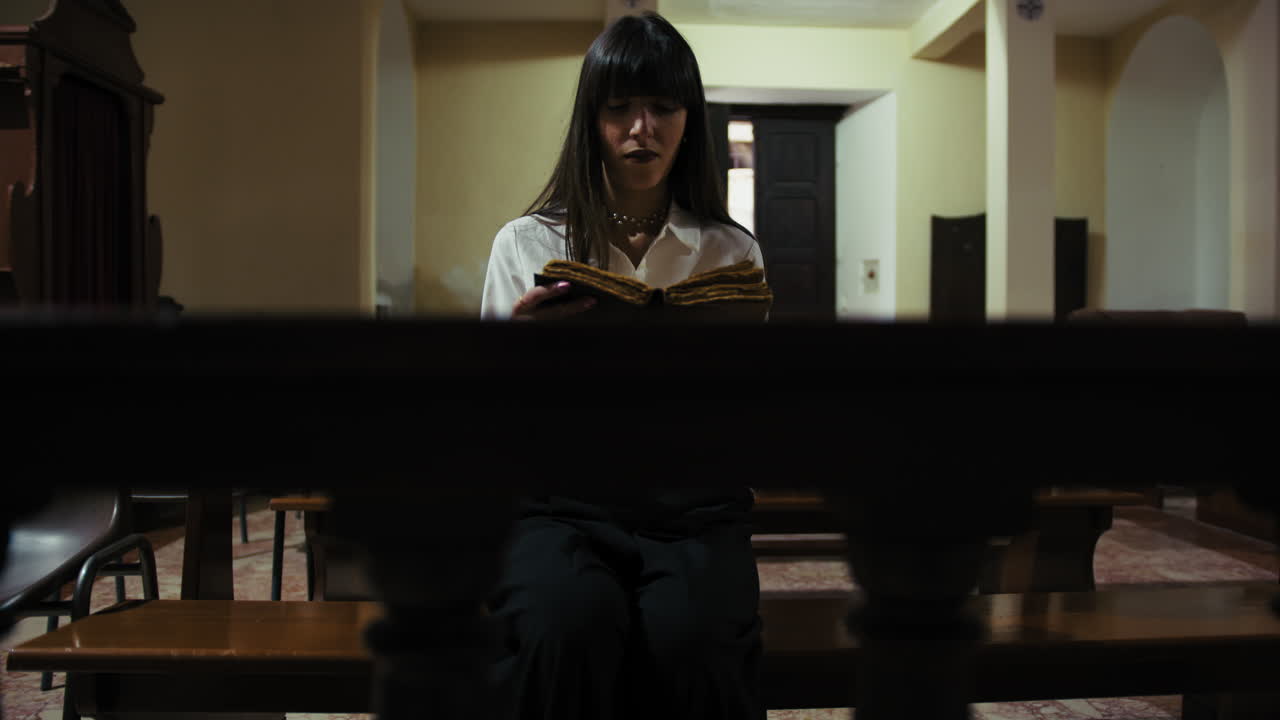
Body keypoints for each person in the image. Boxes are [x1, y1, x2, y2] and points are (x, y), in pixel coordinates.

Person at [478, 11, 766, 720]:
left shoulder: (730, 251)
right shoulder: (527, 243)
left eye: (664, 106)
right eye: (620, 108)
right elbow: (486, 414)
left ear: (690, 119)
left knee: (690, 641)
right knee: (566, 627)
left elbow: (751, 406)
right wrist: (516, 350)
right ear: (592, 120)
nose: (644, 128)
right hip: (560, 503)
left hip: (693, 507)